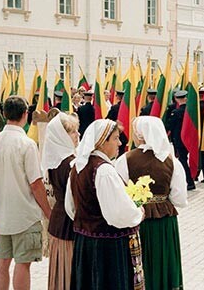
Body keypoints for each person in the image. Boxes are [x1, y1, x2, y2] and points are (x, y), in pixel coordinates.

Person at [65, 119, 145, 290]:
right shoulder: (103, 171)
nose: (120, 143)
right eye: (116, 138)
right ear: (102, 142)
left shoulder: (77, 167)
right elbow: (117, 214)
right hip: (107, 248)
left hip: (85, 243)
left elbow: (70, 208)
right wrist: (138, 212)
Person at [0, 96, 52, 290]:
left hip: (2, 212)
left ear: (5, 114)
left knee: (3, 259)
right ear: (26, 115)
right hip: (24, 212)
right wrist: (48, 212)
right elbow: (36, 183)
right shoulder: (26, 144)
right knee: (23, 263)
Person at [116, 116, 188, 290]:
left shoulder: (125, 159)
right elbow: (179, 198)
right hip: (164, 221)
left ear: (141, 136)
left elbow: (118, 191)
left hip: (136, 220)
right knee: (163, 261)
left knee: (139, 263)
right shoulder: (172, 161)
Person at [41, 113, 80, 290]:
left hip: (59, 218)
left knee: (61, 270)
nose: (77, 135)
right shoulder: (69, 163)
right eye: (73, 132)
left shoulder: (55, 159)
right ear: (62, 136)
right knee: (68, 269)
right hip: (68, 221)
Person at [166, 90, 196, 191]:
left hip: (179, 140)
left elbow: (170, 125)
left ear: (177, 99)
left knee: (182, 160)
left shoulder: (176, 112)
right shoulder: (190, 111)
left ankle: (189, 182)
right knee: (184, 159)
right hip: (190, 139)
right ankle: (189, 180)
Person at [106, 90, 129, 156]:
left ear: (118, 97)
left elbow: (108, 119)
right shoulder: (129, 108)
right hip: (126, 134)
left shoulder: (114, 108)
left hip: (117, 134)